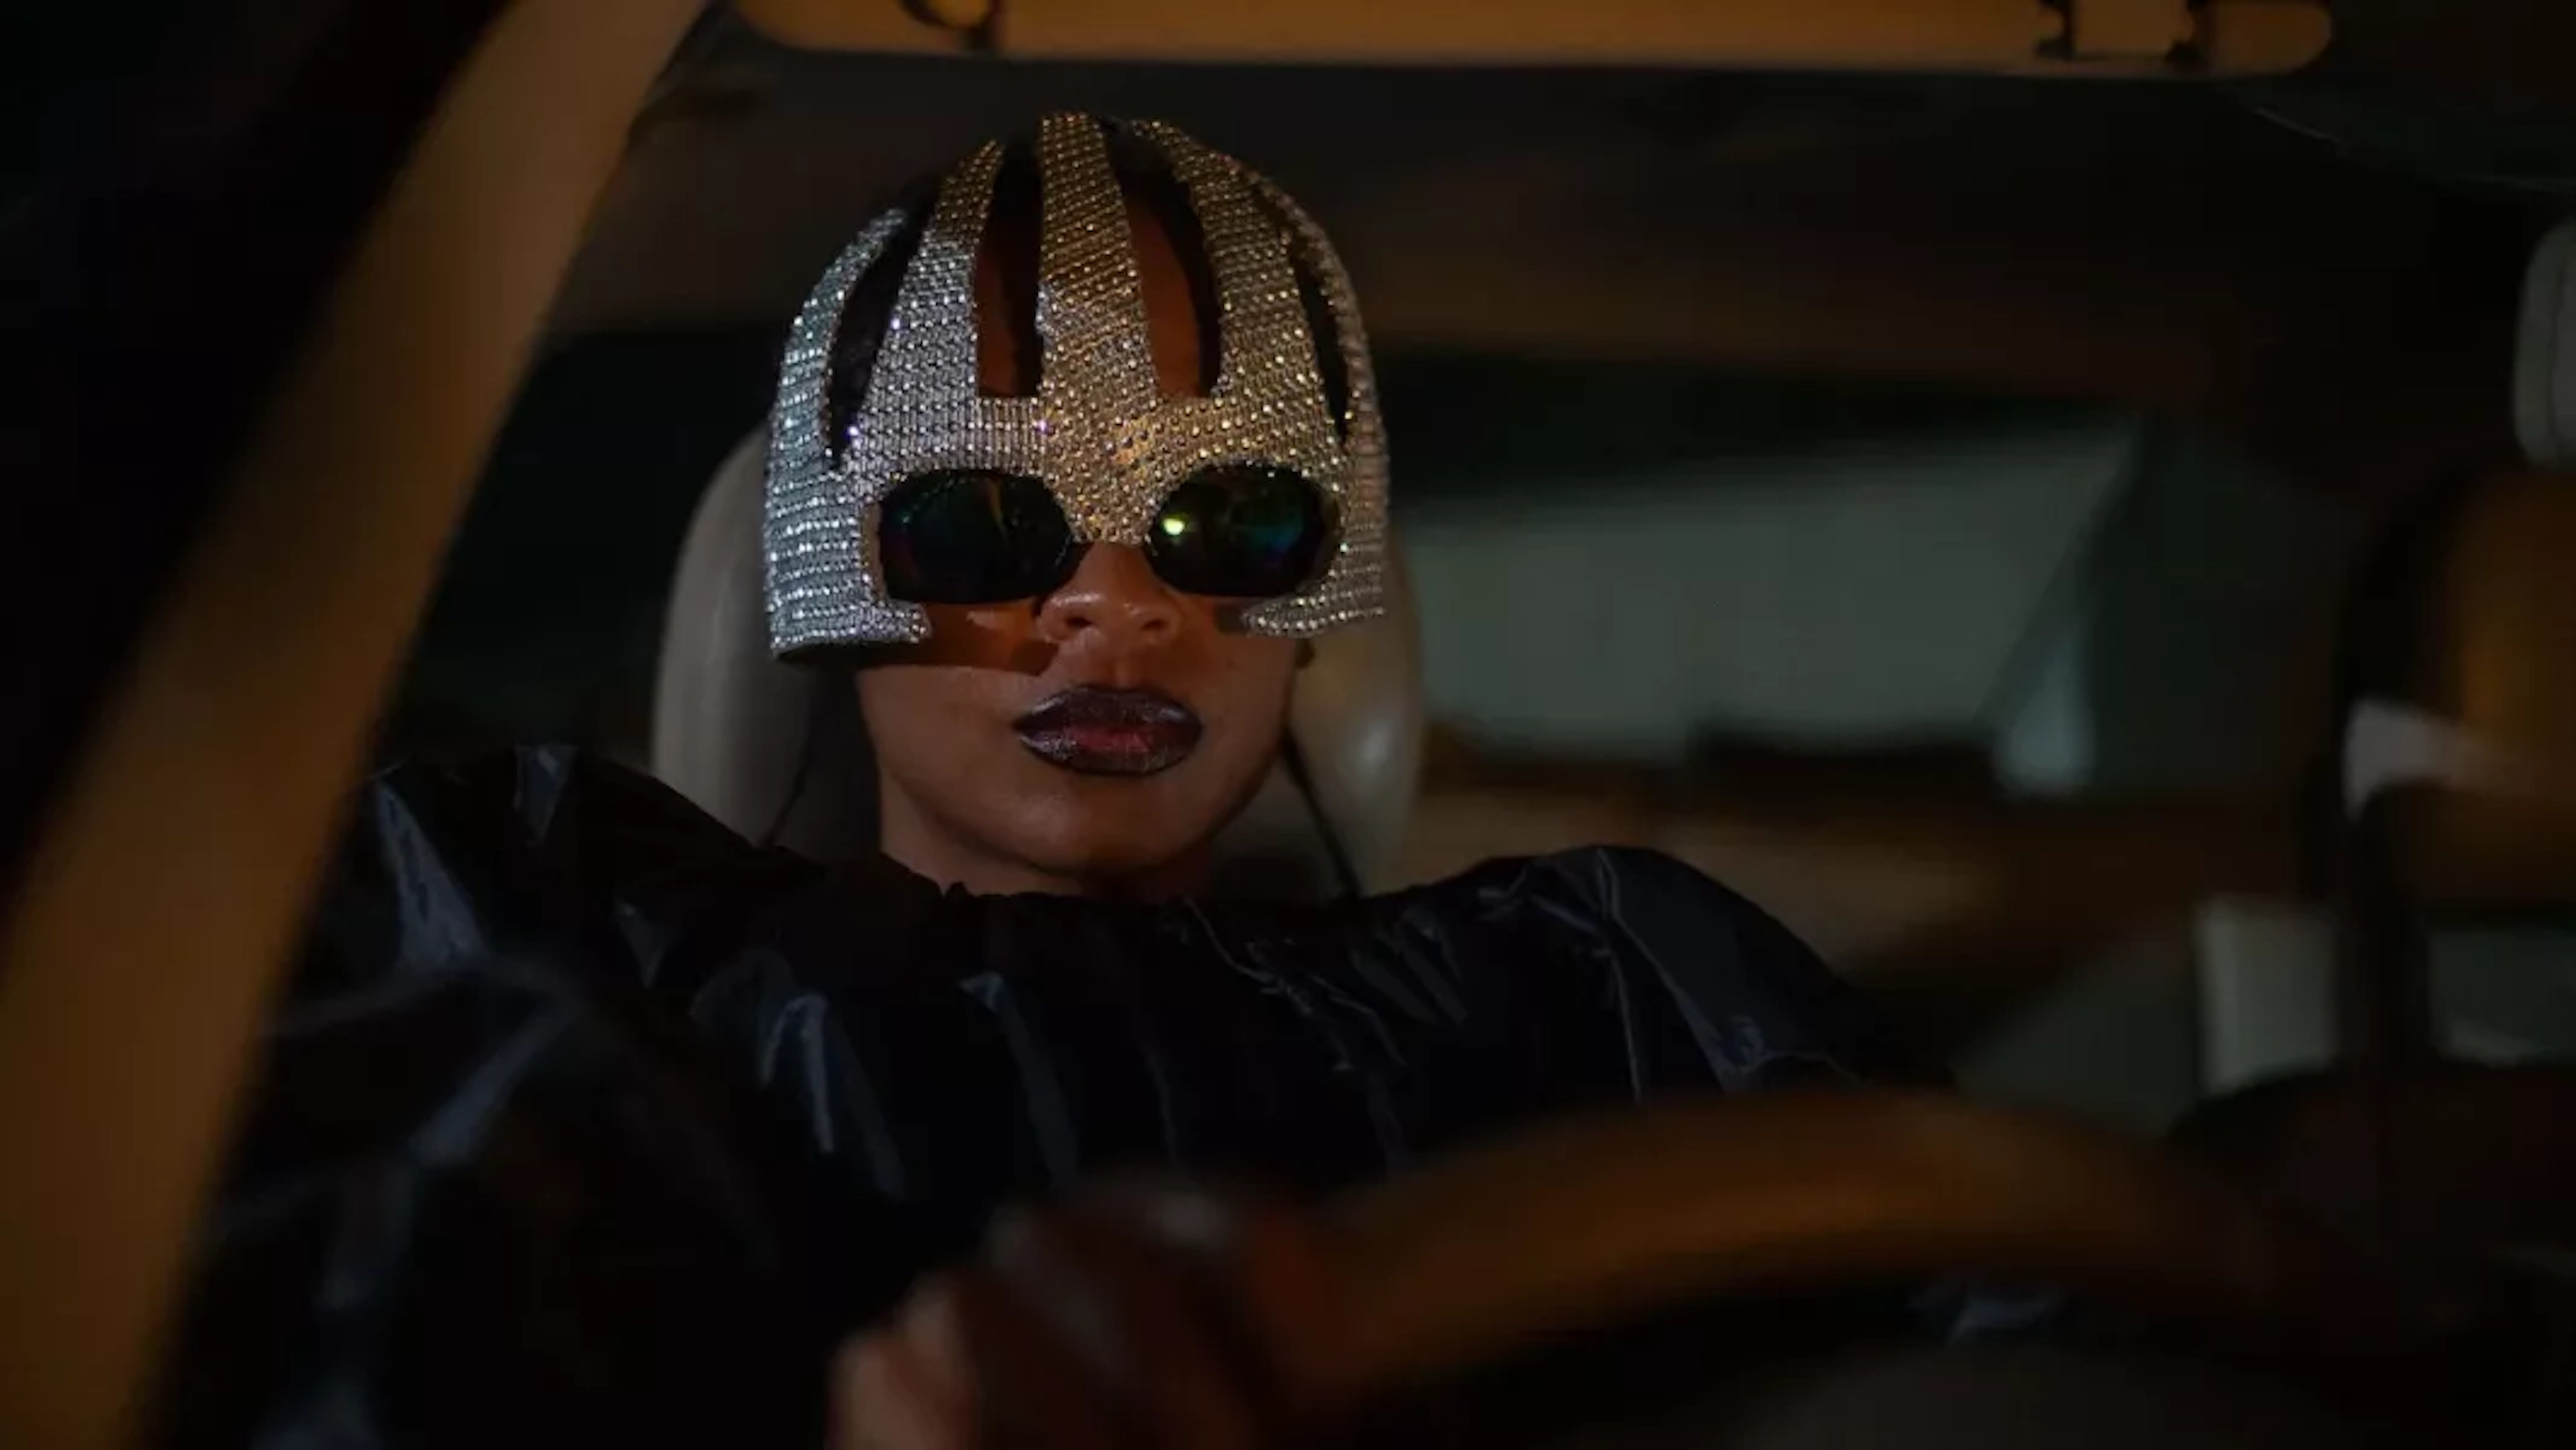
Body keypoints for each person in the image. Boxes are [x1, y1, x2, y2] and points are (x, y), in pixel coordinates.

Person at [148, 115, 1934, 1449]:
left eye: (1229, 521)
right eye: (982, 524)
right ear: (828, 576)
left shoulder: (1604, 999)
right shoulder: (544, 942)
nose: (1115, 604)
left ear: (1319, 606)